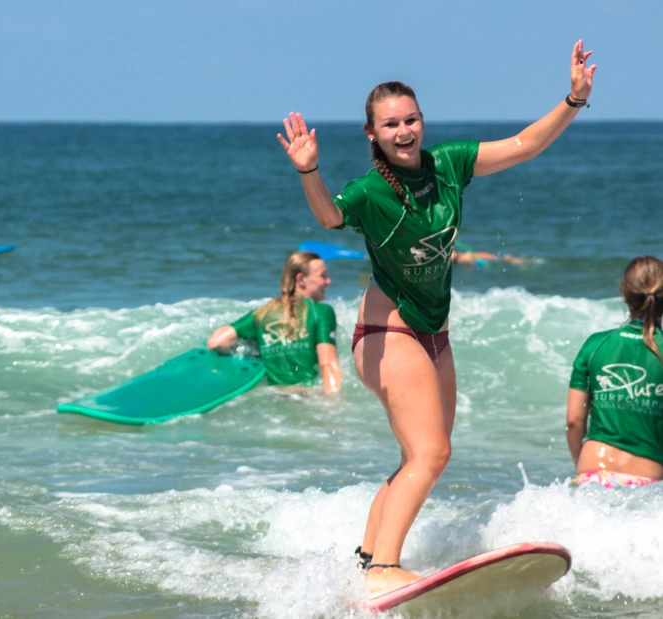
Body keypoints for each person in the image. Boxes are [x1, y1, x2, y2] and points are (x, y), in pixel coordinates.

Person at [277, 40, 596, 594]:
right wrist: (310, 171)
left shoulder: (448, 165)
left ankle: (366, 557)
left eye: (412, 119)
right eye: (391, 124)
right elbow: (330, 218)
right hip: (386, 333)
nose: (405, 131)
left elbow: (522, 146)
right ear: (372, 134)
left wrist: (572, 99)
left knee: (419, 457)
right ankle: (383, 571)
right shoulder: (372, 192)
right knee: (432, 452)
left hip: (434, 337)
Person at [566, 255, 663, 488]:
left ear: (625, 293)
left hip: (593, 473)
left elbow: (574, 422)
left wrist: (581, 464)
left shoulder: (595, 345)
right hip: (647, 479)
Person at [207, 250, 341, 393]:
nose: (329, 282)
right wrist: (332, 405)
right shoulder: (321, 312)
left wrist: (252, 351)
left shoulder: (262, 313)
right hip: (308, 395)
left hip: (275, 395)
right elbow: (327, 364)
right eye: (323, 276)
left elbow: (215, 342)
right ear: (301, 279)